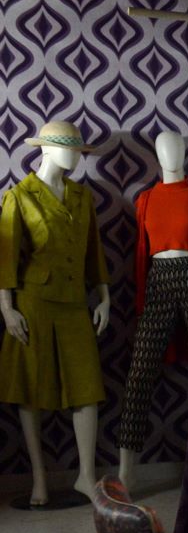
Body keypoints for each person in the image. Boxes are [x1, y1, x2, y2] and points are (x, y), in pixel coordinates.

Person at [0, 120, 109, 505]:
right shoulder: (20, 196)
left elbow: (94, 251)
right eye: (69, 149)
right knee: (31, 390)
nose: (75, 157)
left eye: (79, 150)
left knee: (87, 389)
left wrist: (105, 297)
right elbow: (6, 257)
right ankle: (39, 480)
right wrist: (7, 309)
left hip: (75, 303)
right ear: (46, 150)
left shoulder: (82, 197)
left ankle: (86, 477)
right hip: (34, 302)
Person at [118, 130, 188, 488]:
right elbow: (141, 253)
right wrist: (142, 300)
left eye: (177, 147)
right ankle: (125, 472)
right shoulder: (146, 199)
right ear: (156, 154)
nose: (172, 153)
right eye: (164, 148)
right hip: (160, 279)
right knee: (140, 373)